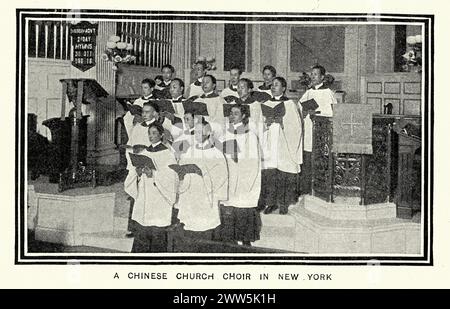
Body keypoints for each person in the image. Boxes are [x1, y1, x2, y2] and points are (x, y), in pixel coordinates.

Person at [124, 123, 179, 252]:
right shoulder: (144, 152)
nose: (151, 136)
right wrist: (137, 173)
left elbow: (172, 177)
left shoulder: (168, 154)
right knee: (142, 230)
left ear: (161, 135)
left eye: (154, 133)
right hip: (144, 196)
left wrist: (153, 174)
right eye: (149, 133)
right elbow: (133, 173)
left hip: (158, 198)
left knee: (156, 232)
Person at [216, 104, 262, 246]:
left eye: (235, 113)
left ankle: (246, 243)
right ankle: (230, 243)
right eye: (230, 113)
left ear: (243, 116)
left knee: (243, 211)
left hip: (243, 179)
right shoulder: (224, 135)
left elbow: (254, 161)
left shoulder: (250, 136)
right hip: (229, 178)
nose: (231, 116)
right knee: (229, 211)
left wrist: (238, 158)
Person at [176, 121, 229, 242]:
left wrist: (203, 175)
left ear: (209, 133)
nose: (197, 134)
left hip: (205, 196)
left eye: (201, 132)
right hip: (190, 194)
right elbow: (182, 167)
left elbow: (222, 176)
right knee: (189, 228)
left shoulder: (216, 153)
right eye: (196, 131)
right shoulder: (189, 150)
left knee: (205, 228)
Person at [258, 77, 303, 215]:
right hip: (270, 142)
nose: (273, 87)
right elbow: (259, 124)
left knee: (284, 174)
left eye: (276, 85)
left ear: (283, 88)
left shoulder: (290, 104)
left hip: (284, 143)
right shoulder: (265, 103)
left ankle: (284, 204)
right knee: (271, 174)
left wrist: (282, 123)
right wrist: (266, 124)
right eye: (272, 85)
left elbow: (296, 127)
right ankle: (271, 203)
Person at [298, 65, 336, 195]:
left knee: (321, 160)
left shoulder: (328, 93)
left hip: (321, 132)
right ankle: (306, 190)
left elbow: (333, 113)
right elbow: (300, 108)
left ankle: (322, 190)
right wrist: (304, 111)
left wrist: (316, 113)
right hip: (308, 130)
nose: (312, 77)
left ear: (322, 77)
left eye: (315, 74)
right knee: (308, 159)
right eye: (312, 74)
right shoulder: (308, 92)